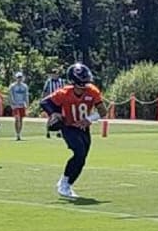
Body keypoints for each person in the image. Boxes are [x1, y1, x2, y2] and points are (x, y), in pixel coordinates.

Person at [40, 63, 108, 198]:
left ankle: (66, 183)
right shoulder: (64, 93)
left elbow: (103, 111)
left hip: (83, 128)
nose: (84, 86)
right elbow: (45, 102)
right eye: (81, 82)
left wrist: (89, 119)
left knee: (82, 159)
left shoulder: (92, 91)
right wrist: (55, 113)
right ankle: (64, 185)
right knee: (79, 152)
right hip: (68, 126)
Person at [43, 68, 65, 138]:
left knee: (60, 116)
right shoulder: (48, 82)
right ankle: (48, 131)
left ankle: (59, 132)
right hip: (51, 101)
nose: (54, 75)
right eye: (53, 74)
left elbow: (65, 90)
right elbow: (45, 91)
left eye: (56, 74)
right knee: (51, 116)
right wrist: (44, 101)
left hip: (60, 101)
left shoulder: (61, 81)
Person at [8, 72, 29, 141]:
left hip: (22, 104)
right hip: (15, 105)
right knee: (17, 119)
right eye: (18, 77)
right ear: (16, 78)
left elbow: (26, 96)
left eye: (20, 77)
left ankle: (19, 133)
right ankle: (17, 134)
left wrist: (27, 104)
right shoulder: (12, 86)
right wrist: (12, 104)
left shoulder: (25, 86)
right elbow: (10, 95)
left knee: (21, 119)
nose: (19, 79)